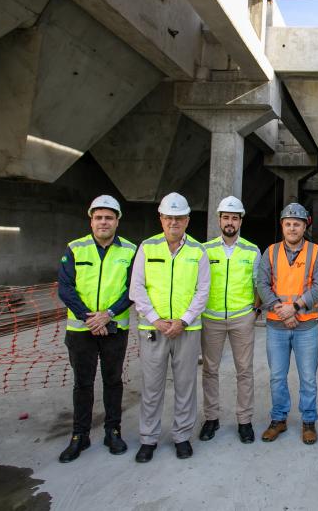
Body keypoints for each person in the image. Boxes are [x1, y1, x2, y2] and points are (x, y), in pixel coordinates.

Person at [129, 192, 210, 463]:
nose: (173, 222)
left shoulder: (198, 251)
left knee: (185, 385)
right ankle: (148, 438)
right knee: (152, 386)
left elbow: (203, 291)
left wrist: (183, 320)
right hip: (153, 329)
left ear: (187, 220)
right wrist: (155, 319)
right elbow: (137, 287)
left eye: (179, 218)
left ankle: (182, 436)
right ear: (161, 219)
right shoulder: (147, 247)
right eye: (168, 217)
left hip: (186, 330)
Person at [57, 195, 136, 462]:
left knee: (113, 381)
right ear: (91, 220)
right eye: (99, 217)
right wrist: (89, 317)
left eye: (109, 218)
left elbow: (133, 289)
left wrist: (108, 315)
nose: (104, 222)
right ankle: (80, 435)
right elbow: (65, 288)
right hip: (81, 330)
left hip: (115, 327)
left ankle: (113, 430)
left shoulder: (129, 251)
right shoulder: (75, 248)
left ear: (117, 221)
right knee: (83, 383)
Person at [254, 203, 318, 444]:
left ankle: (309, 422)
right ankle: (279, 419)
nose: (292, 228)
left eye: (297, 224)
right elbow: (262, 284)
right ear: (282, 225)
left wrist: (294, 308)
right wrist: (280, 309)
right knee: (277, 376)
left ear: (304, 226)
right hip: (277, 325)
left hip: (306, 325)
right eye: (288, 223)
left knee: (308, 377)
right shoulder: (271, 252)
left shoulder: (316, 252)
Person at [198, 196, 261, 445]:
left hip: (241, 319)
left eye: (234, 218)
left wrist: (254, 311)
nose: (230, 222)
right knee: (210, 370)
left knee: (244, 371)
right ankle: (211, 418)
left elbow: (259, 283)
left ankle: (244, 421)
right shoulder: (205, 250)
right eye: (226, 217)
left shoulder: (252, 250)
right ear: (219, 220)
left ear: (241, 221)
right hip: (211, 318)